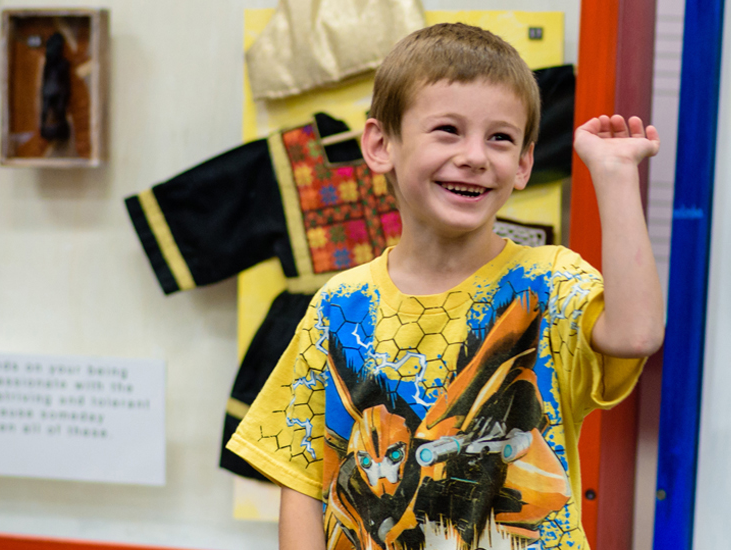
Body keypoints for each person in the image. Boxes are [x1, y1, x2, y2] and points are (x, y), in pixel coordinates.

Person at [226, 23, 663, 550]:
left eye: (500, 138)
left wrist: (615, 177)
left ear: (524, 163)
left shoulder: (550, 281)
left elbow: (635, 334)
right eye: (448, 130)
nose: (476, 156)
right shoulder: (338, 306)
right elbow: (300, 479)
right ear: (380, 144)